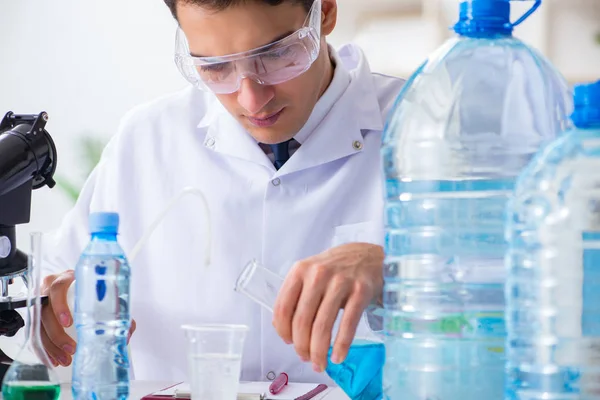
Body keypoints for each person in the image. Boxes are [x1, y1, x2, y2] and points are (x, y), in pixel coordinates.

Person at [37, 0, 405, 384]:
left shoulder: (424, 128)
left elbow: (472, 308)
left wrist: (398, 273)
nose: (251, 99)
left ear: (324, 13)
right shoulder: (146, 140)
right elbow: (50, 284)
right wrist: (51, 308)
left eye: (277, 54)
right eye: (215, 67)